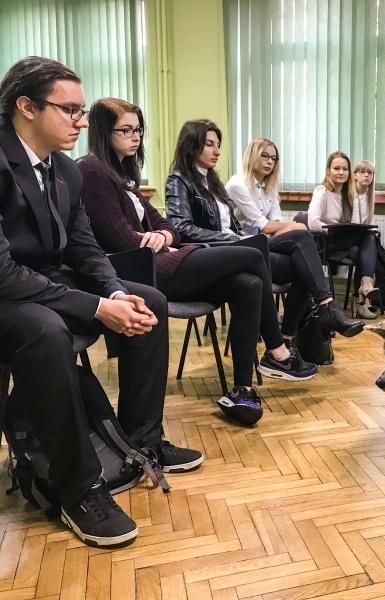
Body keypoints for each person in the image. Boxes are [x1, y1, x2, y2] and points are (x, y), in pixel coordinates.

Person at [0, 56, 202, 547]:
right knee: (46, 332)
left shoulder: (65, 169)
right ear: (25, 107)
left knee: (146, 298)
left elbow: (86, 248)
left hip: (47, 281)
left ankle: (142, 442)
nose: (82, 120)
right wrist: (93, 308)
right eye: (68, 109)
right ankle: (79, 490)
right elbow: (4, 273)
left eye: (82, 109)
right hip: (6, 290)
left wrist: (114, 292)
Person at [79, 99, 294, 426]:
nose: (135, 137)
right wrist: (156, 241)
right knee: (253, 252)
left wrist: (162, 238)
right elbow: (121, 240)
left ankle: (242, 389)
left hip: (165, 259)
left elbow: (169, 228)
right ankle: (277, 350)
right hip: (143, 273)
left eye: (138, 130)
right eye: (126, 130)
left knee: (248, 283)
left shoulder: (125, 177)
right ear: (103, 132)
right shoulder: (92, 171)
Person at [164, 119, 319, 387]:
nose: (217, 150)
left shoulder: (213, 182)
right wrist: (234, 238)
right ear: (192, 146)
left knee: (293, 269)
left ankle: (280, 345)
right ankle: (277, 350)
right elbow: (181, 229)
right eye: (209, 144)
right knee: (257, 253)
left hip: (233, 249)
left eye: (218, 145)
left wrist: (237, 236)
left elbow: (232, 223)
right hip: (207, 255)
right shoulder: (179, 180)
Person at [224, 138, 363, 339]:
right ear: (252, 155)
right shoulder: (237, 184)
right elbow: (264, 225)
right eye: (265, 156)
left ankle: (288, 336)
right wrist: (292, 227)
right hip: (246, 247)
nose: (270, 161)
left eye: (274, 158)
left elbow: (276, 221)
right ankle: (327, 308)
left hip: (267, 245)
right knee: (300, 231)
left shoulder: (269, 186)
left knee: (303, 268)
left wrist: (284, 227)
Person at [308, 151, 380, 319]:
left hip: (343, 242)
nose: (341, 172)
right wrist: (335, 230)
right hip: (325, 242)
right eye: (336, 168)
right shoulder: (321, 191)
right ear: (328, 171)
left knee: (368, 237)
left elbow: (355, 226)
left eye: (345, 169)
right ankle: (363, 296)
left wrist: (348, 232)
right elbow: (313, 223)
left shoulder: (350, 195)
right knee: (369, 242)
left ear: (349, 172)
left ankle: (366, 285)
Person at [353, 159, 376, 226]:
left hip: (363, 232)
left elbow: (370, 222)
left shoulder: (369, 196)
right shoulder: (349, 194)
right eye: (362, 172)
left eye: (369, 172)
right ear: (355, 175)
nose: (366, 175)